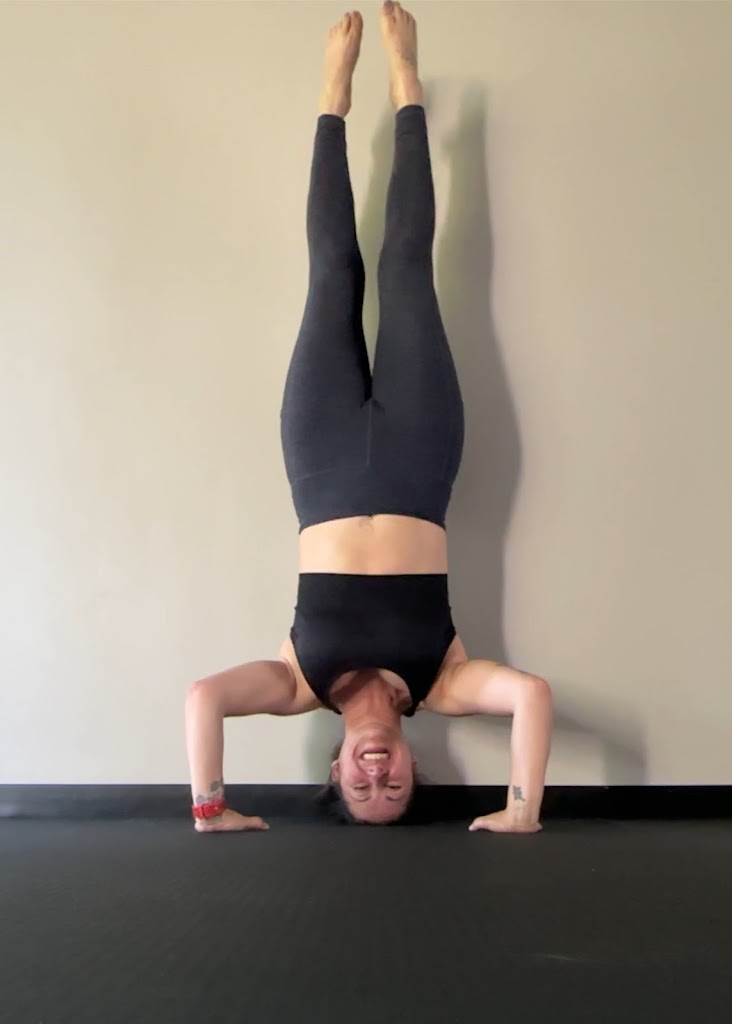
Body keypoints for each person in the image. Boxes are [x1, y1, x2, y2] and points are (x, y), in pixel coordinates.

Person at [185, 2, 552, 832]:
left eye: (359, 792)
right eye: (396, 792)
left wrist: (210, 809)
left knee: (331, 272)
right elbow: (530, 696)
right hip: (421, 458)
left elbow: (203, 696)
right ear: (417, 768)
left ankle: (332, 102)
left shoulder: (296, 682)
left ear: (336, 769)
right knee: (407, 268)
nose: (377, 779)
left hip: (319, 459)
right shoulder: (444, 681)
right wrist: (522, 811)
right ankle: (408, 86)